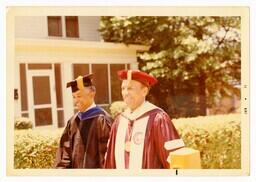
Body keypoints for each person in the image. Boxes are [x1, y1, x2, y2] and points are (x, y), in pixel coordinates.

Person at [104, 70, 184, 169]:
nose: (125, 93)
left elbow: (175, 160)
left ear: (144, 91)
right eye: (123, 88)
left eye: (130, 88)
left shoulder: (157, 119)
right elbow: (110, 163)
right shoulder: (119, 121)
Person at [55, 74, 112, 168]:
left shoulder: (102, 121)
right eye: (74, 97)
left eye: (79, 96)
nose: (76, 101)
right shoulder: (73, 122)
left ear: (92, 93)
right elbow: (65, 156)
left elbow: (106, 159)